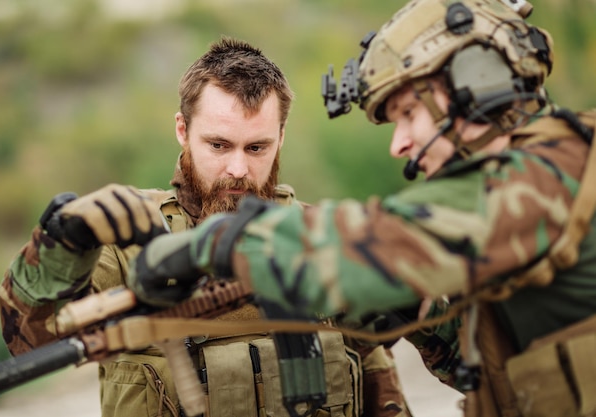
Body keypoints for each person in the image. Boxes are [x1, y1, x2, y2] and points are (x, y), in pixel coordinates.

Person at [125, 1, 596, 417]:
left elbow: (381, 237)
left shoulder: (543, 177)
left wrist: (220, 242)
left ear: (476, 87)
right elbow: (501, 372)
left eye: (409, 114)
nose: (399, 143)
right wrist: (419, 312)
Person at [0, 37, 412, 417]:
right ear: (183, 130)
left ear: (281, 137)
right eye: (218, 145)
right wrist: (62, 247)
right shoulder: (132, 243)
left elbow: (380, 383)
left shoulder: (318, 237)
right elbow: (31, 342)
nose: (238, 169)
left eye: (256, 147)